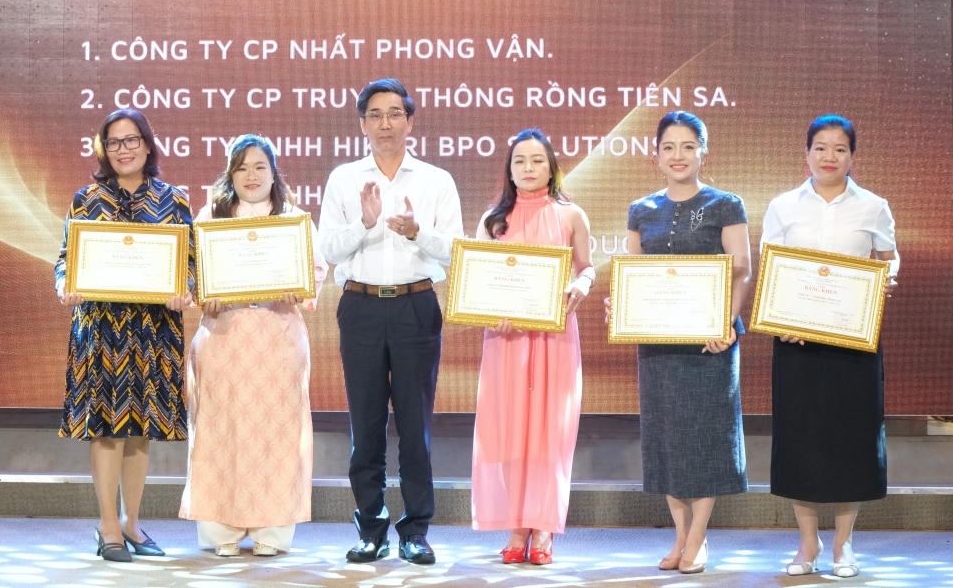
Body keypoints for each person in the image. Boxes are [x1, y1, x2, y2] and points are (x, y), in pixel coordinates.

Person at [318, 78, 464, 565]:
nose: (386, 123)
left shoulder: (436, 180)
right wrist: (364, 223)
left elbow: (455, 251)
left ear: (410, 121)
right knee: (366, 425)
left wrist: (418, 232)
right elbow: (328, 249)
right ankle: (371, 528)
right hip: (359, 306)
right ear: (362, 124)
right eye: (375, 115)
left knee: (415, 426)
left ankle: (416, 530)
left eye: (395, 113)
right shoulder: (343, 179)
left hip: (415, 306)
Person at [762, 115, 898, 579]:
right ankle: (808, 544)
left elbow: (889, 258)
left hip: (853, 341)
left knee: (850, 439)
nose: (829, 157)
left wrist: (886, 280)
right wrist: (781, 319)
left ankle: (843, 544)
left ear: (852, 156)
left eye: (840, 149)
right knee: (801, 440)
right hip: (796, 340)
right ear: (806, 152)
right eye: (820, 147)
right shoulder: (783, 206)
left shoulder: (874, 207)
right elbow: (772, 268)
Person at [179, 134, 328, 557]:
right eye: (241, 167)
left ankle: (271, 532)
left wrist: (298, 288)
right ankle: (221, 531)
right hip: (223, 336)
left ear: (274, 173)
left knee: (277, 435)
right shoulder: (210, 216)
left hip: (278, 337)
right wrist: (202, 294)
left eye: (260, 166)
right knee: (220, 432)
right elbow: (192, 272)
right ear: (230, 174)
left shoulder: (294, 219)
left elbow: (316, 270)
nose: (251, 175)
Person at [56, 108, 193, 562]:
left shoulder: (174, 200)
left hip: (154, 330)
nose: (123, 149)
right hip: (100, 328)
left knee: (141, 429)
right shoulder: (86, 199)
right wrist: (65, 284)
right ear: (104, 149)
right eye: (114, 142)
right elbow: (66, 259)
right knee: (106, 428)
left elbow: (190, 263)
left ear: (147, 145)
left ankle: (132, 522)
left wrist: (185, 289)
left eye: (131, 140)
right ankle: (107, 525)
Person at [622, 111, 752, 574]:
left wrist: (724, 324)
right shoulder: (641, 209)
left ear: (703, 152)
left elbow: (741, 270)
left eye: (688, 146)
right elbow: (636, 276)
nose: (678, 155)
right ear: (655, 155)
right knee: (667, 440)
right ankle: (679, 537)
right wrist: (626, 308)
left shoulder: (726, 204)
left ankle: (698, 537)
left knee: (706, 438)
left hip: (710, 345)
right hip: (658, 344)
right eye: (669, 147)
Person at [471, 129, 595, 566]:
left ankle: (542, 527)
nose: (528, 168)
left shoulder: (571, 215)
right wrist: (491, 312)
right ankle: (516, 526)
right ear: (509, 169)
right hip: (505, 339)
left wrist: (581, 284)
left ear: (552, 166)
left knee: (548, 432)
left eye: (537, 160)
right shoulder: (492, 221)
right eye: (519, 161)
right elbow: (478, 278)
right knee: (509, 429)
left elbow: (587, 268)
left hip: (554, 337)